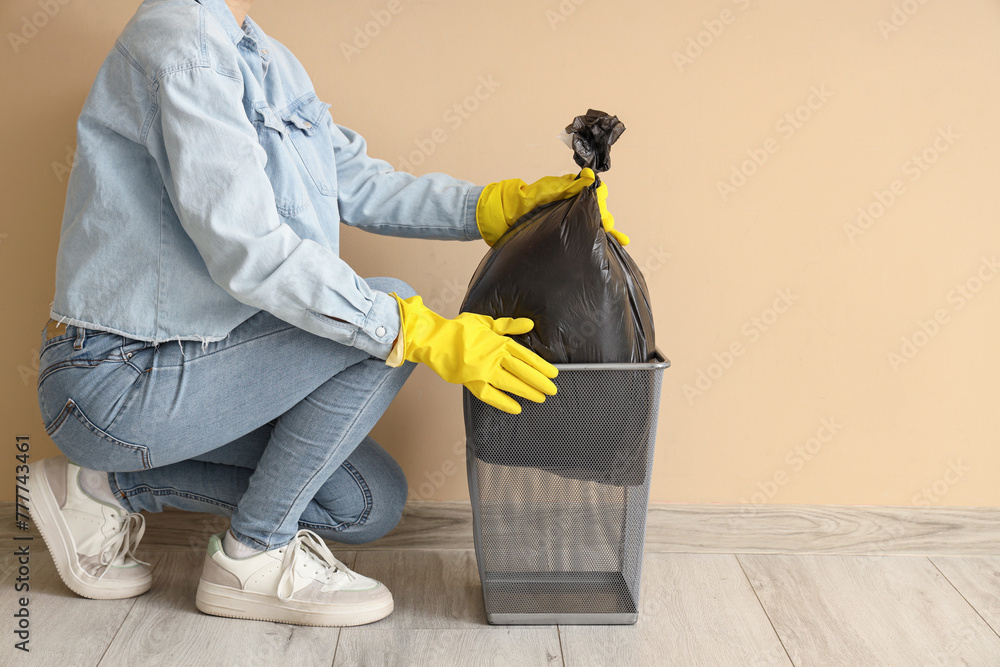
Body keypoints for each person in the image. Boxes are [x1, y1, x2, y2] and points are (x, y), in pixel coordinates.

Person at [27, 0, 626, 627]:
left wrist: (498, 207)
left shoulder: (263, 56)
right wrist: (416, 331)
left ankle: (102, 488)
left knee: (368, 502)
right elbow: (251, 253)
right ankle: (251, 559)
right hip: (116, 380)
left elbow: (360, 183)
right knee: (384, 310)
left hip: (206, 370)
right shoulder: (183, 47)